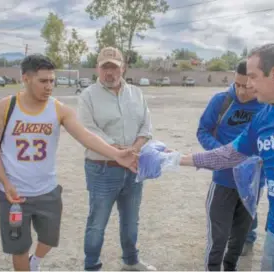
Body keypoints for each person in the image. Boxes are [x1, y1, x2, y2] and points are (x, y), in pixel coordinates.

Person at [178, 43, 274, 271]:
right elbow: (229, 154)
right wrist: (177, 159)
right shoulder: (263, 117)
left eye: (252, 77)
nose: (248, 85)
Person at [0, 54, 138, 272]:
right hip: (14, 194)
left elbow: (86, 136)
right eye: (43, 81)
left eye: (52, 81)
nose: (49, 86)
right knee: (19, 248)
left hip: (48, 191)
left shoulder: (59, 109)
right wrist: (5, 181)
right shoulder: (5, 107)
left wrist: (115, 153)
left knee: (50, 239)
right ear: (26, 79)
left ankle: (36, 261)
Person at [77, 46, 155, 271]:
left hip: (132, 168)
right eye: (105, 68)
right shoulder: (88, 96)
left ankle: (131, 261)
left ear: (124, 68)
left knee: (131, 220)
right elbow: (88, 131)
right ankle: (91, 266)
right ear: (97, 69)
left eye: (114, 67)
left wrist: (133, 150)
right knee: (97, 223)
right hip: (102, 169)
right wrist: (119, 152)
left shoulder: (137, 94)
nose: (109, 73)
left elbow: (146, 127)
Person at [196, 60, 265, 271]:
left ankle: (230, 267)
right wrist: (221, 154)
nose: (242, 91)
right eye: (237, 84)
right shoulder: (221, 101)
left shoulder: (267, 105)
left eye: (247, 85)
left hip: (252, 185)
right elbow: (203, 131)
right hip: (223, 182)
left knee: (240, 236)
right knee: (219, 236)